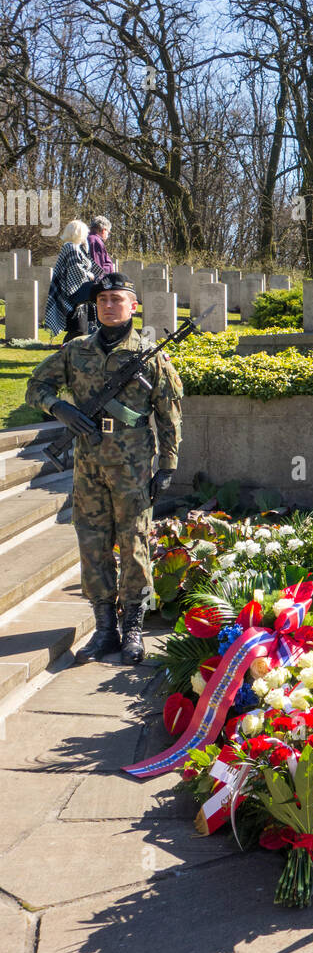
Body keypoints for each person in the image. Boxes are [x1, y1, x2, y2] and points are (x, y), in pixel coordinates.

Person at [25, 273, 183, 665]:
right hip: (89, 466)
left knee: (134, 544)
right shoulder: (76, 351)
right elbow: (34, 387)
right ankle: (104, 629)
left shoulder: (151, 354)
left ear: (133, 306)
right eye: (103, 300)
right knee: (92, 544)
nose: (109, 306)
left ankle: (132, 628)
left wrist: (167, 466)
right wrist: (60, 408)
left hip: (131, 466)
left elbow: (169, 416)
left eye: (117, 299)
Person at [44, 220, 100, 342]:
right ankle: (64, 354)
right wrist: (90, 275)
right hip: (73, 295)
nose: (86, 235)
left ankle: (75, 357)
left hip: (80, 296)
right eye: (85, 233)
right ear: (79, 233)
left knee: (83, 330)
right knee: (77, 330)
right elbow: (76, 270)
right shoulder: (71, 247)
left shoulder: (77, 248)